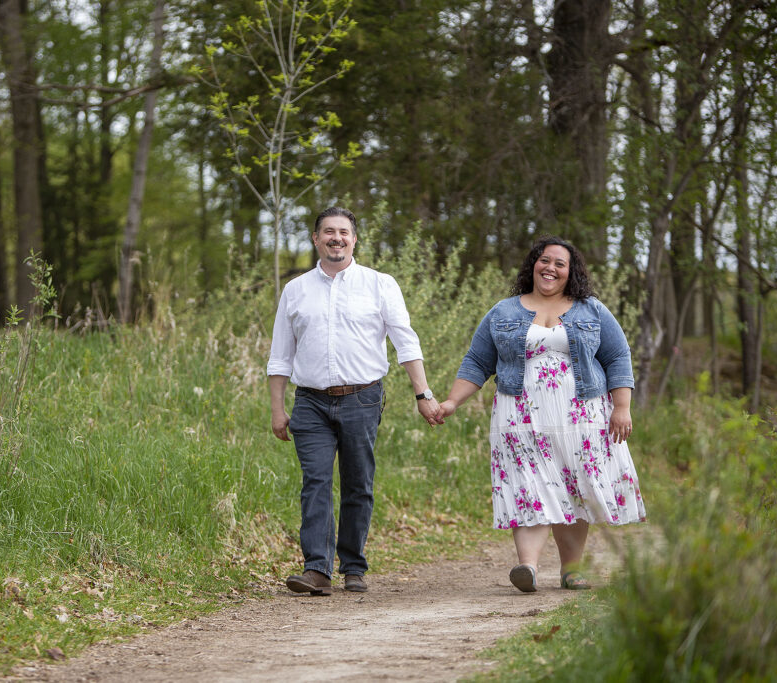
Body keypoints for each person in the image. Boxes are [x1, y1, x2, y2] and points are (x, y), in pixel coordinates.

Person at [440, 236, 645, 592]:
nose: (550, 268)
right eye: (544, 260)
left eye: (559, 263)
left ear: (571, 271)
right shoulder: (503, 311)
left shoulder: (591, 309)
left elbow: (617, 356)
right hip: (519, 416)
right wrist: (451, 402)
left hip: (581, 415)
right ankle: (528, 567)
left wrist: (622, 407)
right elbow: (477, 361)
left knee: (575, 486)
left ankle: (572, 569)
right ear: (533, 264)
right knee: (527, 483)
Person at [268, 207, 443, 596]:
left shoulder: (380, 285)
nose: (336, 238)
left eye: (344, 232)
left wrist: (423, 394)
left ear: (354, 239)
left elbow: (405, 340)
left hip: (362, 398)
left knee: (357, 482)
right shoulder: (295, 290)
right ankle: (316, 569)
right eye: (328, 232)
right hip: (309, 402)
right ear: (315, 239)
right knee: (315, 481)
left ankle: (352, 565)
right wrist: (278, 409)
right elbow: (280, 354)